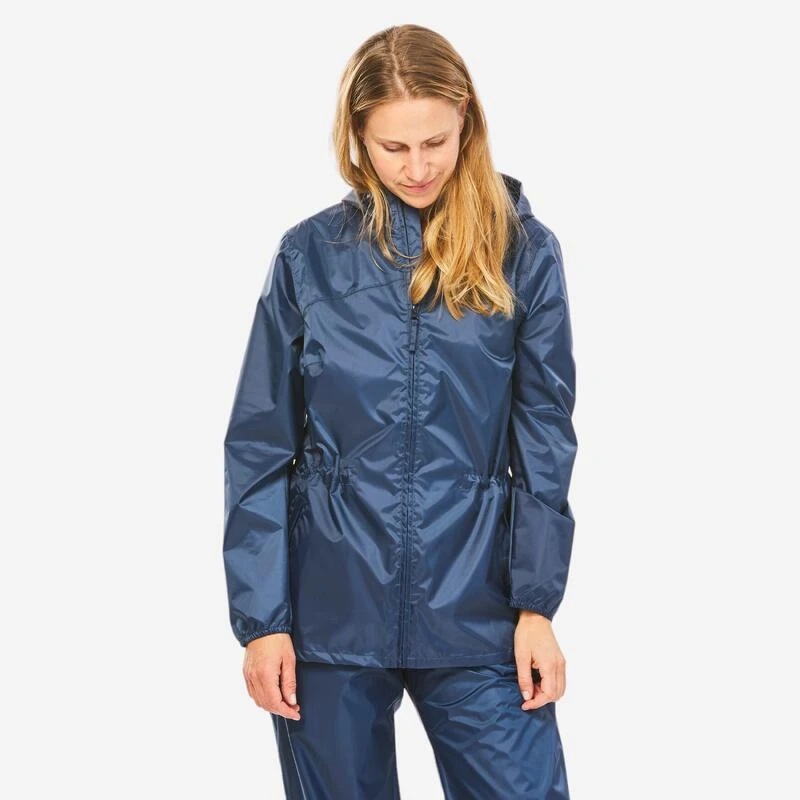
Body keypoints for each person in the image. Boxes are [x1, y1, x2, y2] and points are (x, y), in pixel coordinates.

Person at [223, 23, 578, 800]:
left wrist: (535, 605)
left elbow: (545, 438)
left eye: (435, 143)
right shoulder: (309, 258)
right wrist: (263, 619)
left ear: (466, 121)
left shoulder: (523, 253)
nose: (417, 168)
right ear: (358, 138)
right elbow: (259, 442)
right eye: (394, 148)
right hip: (330, 614)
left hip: (480, 607)